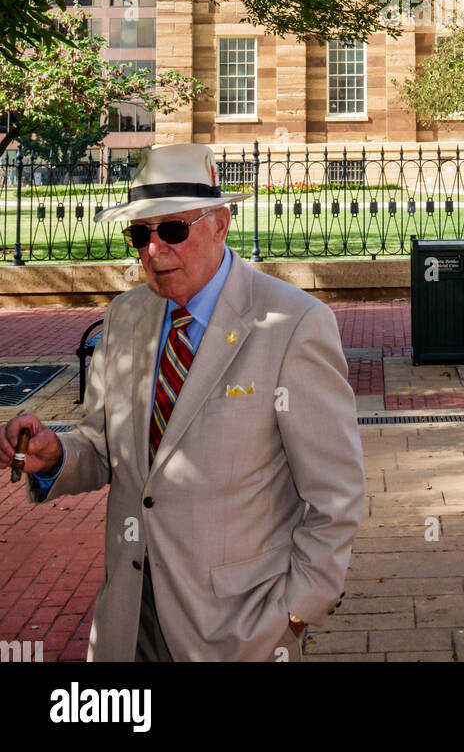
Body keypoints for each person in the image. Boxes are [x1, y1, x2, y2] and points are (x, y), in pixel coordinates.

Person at [0, 143, 366, 662]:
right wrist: (55, 455)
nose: (153, 250)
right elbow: (105, 447)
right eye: (139, 234)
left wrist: (294, 612)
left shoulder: (293, 324)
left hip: (236, 630)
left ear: (221, 222)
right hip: (128, 621)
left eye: (171, 229)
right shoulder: (126, 316)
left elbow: (336, 496)